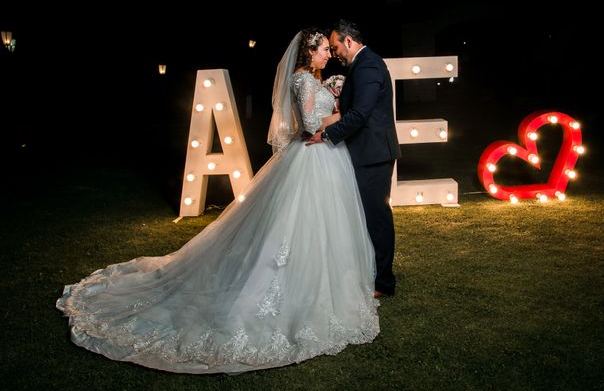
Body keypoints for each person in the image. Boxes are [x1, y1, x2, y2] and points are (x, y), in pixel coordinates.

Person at [56, 28, 379, 374]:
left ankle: (326, 287)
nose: (328, 55)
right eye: (322, 50)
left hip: (327, 156)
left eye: (329, 51)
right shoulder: (301, 80)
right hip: (312, 156)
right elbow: (310, 124)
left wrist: (336, 99)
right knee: (293, 227)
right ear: (308, 53)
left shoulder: (315, 79)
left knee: (327, 226)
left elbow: (320, 117)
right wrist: (343, 115)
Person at [307, 19, 400, 299]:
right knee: (365, 216)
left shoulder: (369, 64)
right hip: (365, 151)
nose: (335, 54)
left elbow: (360, 115)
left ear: (349, 41)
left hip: (373, 154)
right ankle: (371, 272)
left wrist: (326, 135)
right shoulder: (363, 64)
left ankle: (384, 282)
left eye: (336, 47)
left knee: (377, 217)